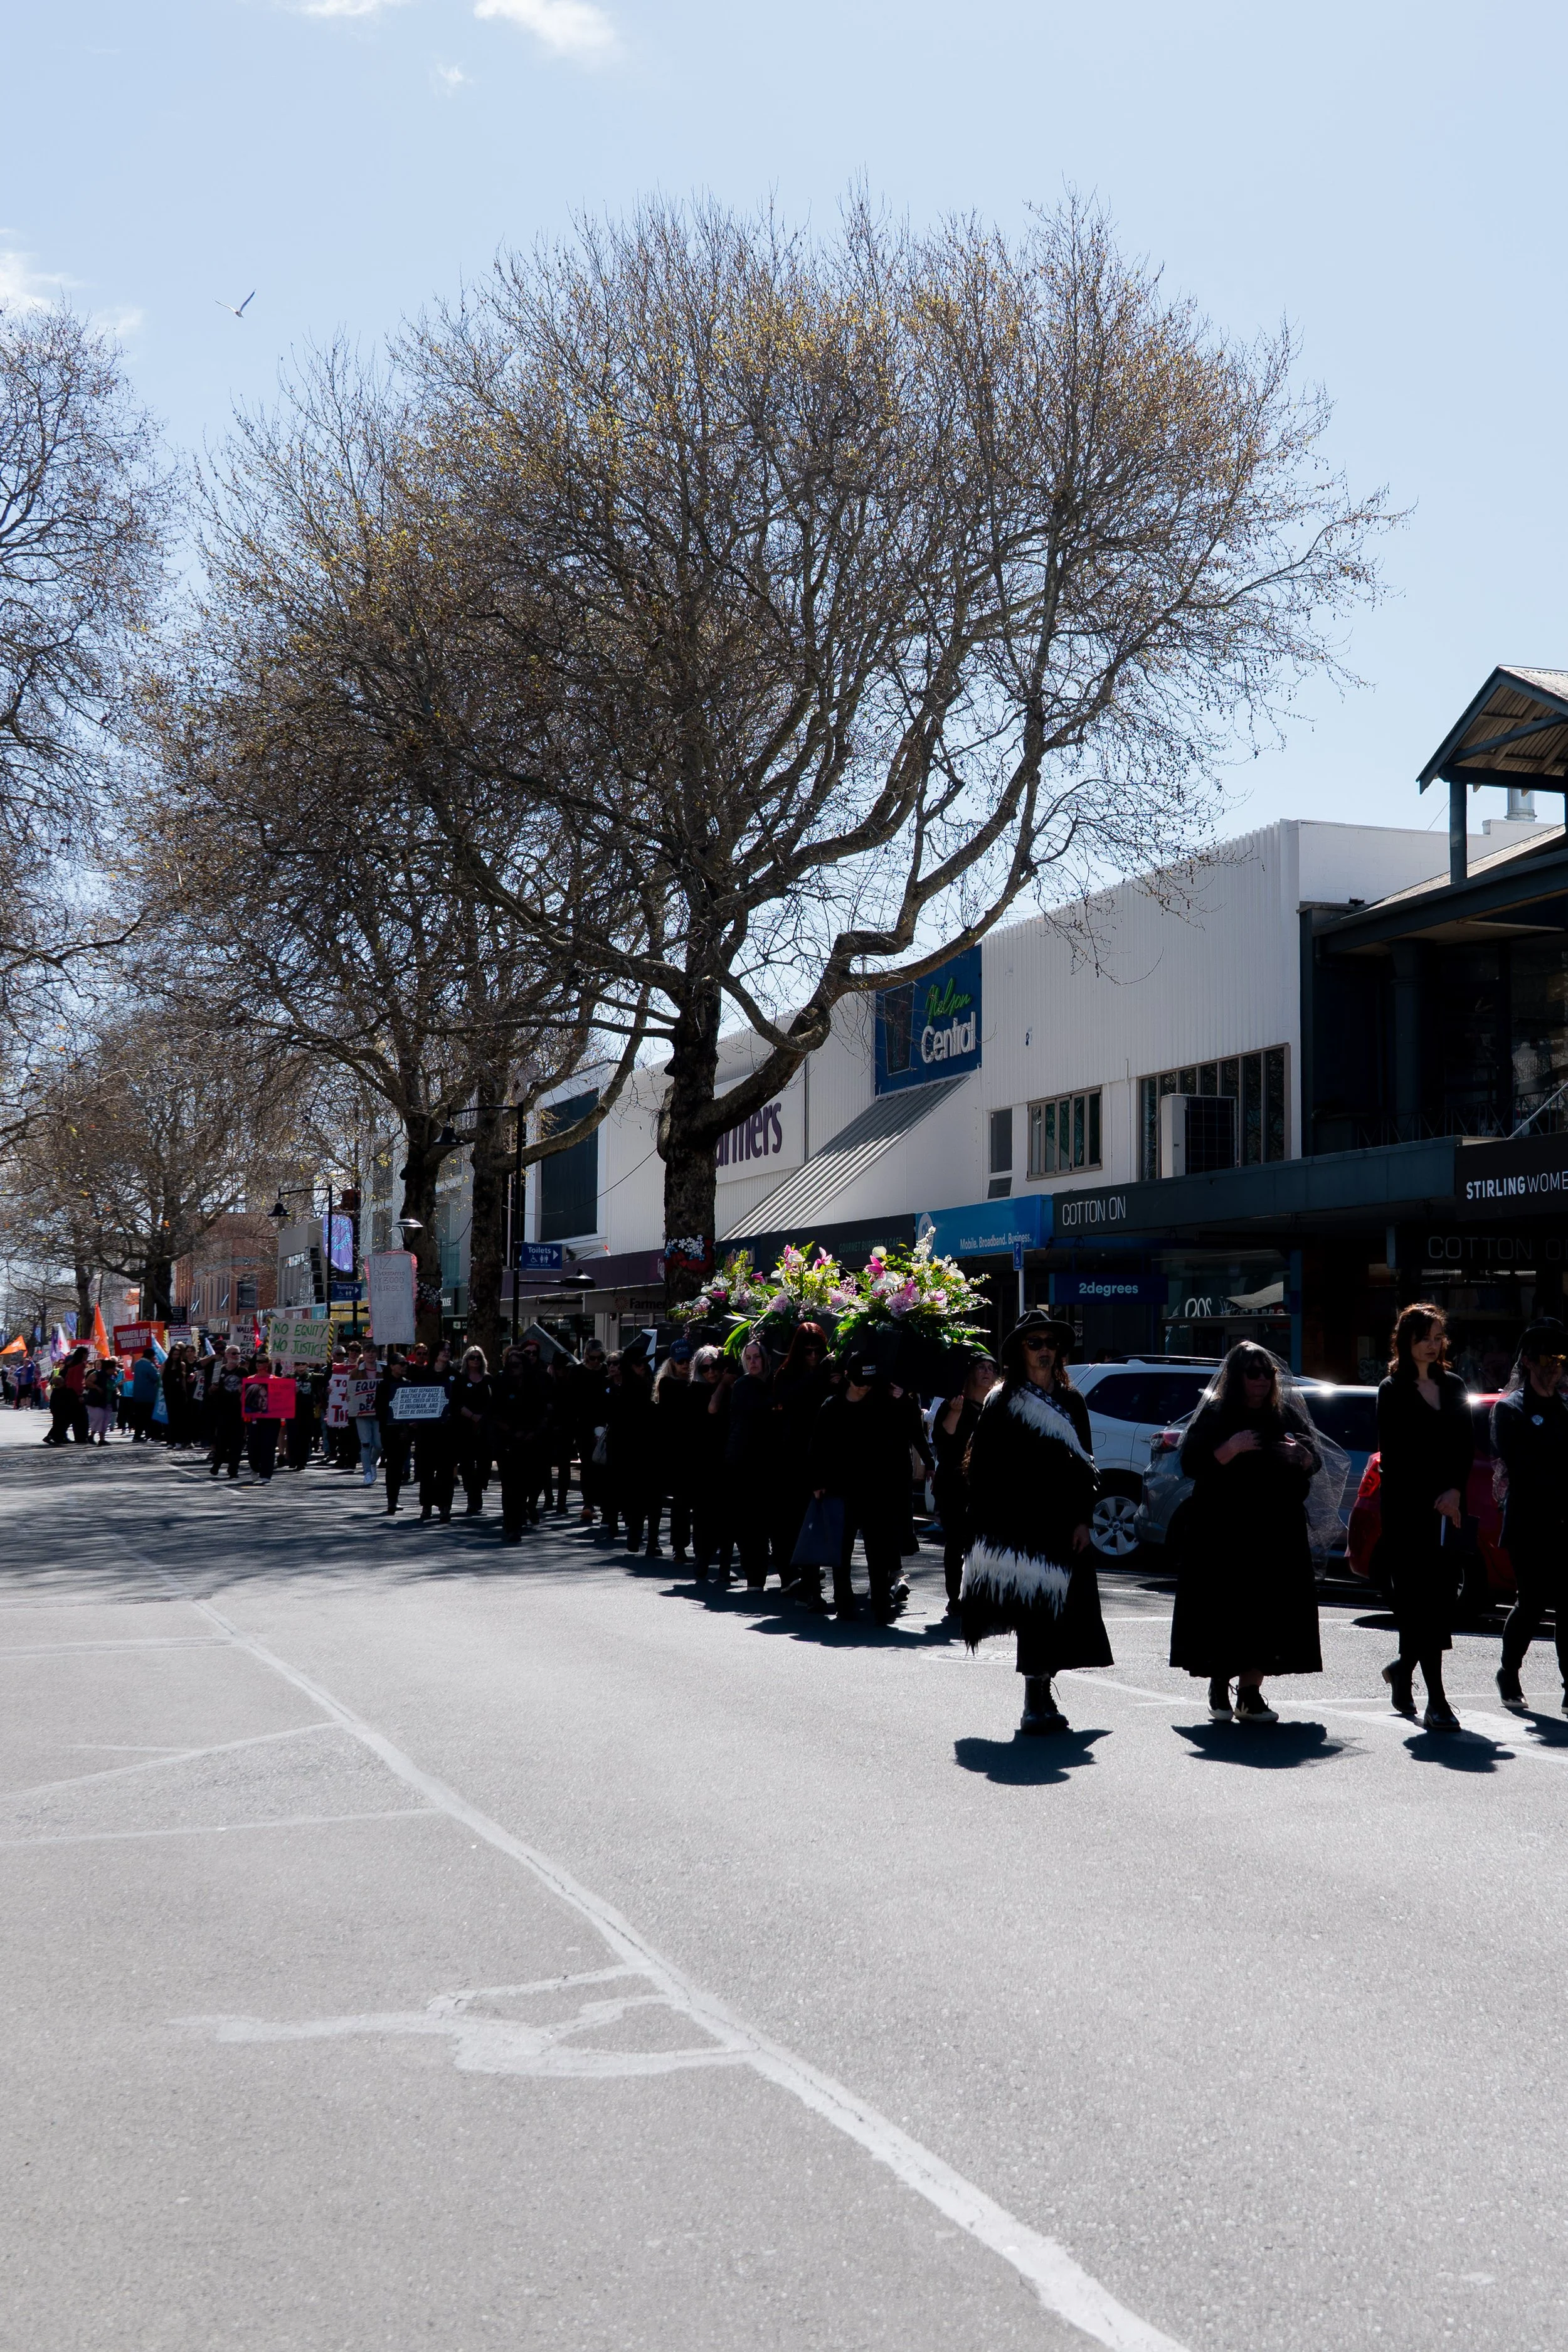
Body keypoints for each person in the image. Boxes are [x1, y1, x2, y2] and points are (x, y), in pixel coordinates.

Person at [960, 1310, 1111, 1733]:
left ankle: (1045, 1689)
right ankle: (1034, 1698)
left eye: (1050, 1343)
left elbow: (1087, 1466)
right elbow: (981, 1468)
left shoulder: (1071, 1401)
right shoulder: (1003, 1399)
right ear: (1019, 1351)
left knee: (1063, 1612)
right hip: (1019, 1522)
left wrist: (1084, 1519)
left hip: (1063, 1522)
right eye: (1035, 1343)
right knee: (1034, 1611)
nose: (1045, 1350)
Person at [1170, 1344, 1325, 1722]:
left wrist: (1304, 1458)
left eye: (1267, 1373)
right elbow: (1190, 1463)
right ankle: (1219, 1685)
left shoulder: (1284, 1413)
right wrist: (1230, 1448)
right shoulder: (1216, 1414)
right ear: (1236, 1376)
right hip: (1223, 1532)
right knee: (1226, 1609)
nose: (1260, 1380)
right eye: (1252, 1373)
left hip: (1276, 1532)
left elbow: (1314, 1457)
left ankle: (1251, 1693)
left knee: (1268, 1613)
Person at [1375, 1302, 1475, 1732]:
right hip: (1408, 1512)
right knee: (1420, 1605)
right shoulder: (1391, 1389)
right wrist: (1434, 1496)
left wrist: (1454, 1491)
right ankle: (1437, 1700)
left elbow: (1465, 1445)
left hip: (1449, 1510)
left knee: (1437, 1605)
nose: (1433, 1346)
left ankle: (1401, 1669)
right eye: (1424, 1339)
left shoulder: (1453, 1385)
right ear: (1407, 1341)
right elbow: (1395, 1457)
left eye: (1438, 1338)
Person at [1491, 1317, 1568, 1712]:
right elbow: (1523, 1465)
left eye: (1559, 1358)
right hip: (1529, 1523)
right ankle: (1509, 1672)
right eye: (1544, 1359)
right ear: (1527, 1361)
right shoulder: (1510, 1410)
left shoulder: (1566, 1407)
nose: (1553, 1367)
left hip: (1564, 1524)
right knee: (1533, 1602)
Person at [807, 1352, 911, 1622]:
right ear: (849, 1379)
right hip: (841, 1489)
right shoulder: (832, 1407)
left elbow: (904, 1430)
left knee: (878, 1549)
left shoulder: (883, 1403)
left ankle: (880, 1602)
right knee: (842, 1550)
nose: (865, 1387)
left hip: (876, 1489)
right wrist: (818, 1482)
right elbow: (818, 1446)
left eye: (869, 1382)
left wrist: (903, 1400)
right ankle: (844, 1601)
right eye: (860, 1381)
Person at [931, 1354, 997, 1619]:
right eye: (981, 1367)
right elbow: (943, 1442)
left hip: (983, 1487)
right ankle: (954, 1597)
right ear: (969, 1375)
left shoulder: (993, 1409)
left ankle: (978, 1594)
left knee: (980, 1544)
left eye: (991, 1369)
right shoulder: (954, 1405)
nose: (987, 1372)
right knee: (957, 1542)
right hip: (954, 1486)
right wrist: (956, 1414)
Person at [772, 1323, 834, 1576]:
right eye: (807, 1351)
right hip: (795, 1453)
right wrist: (817, 1376)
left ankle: (812, 1568)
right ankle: (795, 1571)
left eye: (816, 1351)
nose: (812, 1356)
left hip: (824, 1451)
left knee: (825, 1517)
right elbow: (786, 1400)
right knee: (795, 1516)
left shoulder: (828, 1372)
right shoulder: (786, 1374)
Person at [724, 1338, 785, 1590]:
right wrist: (774, 1407)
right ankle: (755, 1577)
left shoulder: (776, 1383)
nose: (752, 1362)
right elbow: (753, 1411)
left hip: (773, 1462)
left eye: (756, 1357)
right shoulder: (742, 1385)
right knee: (751, 1523)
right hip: (746, 1462)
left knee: (776, 1522)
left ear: (766, 1359)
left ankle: (788, 1575)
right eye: (748, 1358)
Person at [687, 1345, 735, 1582]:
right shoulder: (696, 1390)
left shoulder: (730, 1388)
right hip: (704, 1462)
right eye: (704, 1368)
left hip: (726, 1459)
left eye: (714, 1367)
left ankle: (725, 1565)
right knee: (704, 1514)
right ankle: (702, 1557)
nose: (710, 1372)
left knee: (727, 1515)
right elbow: (712, 1409)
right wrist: (723, 1385)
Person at [607, 1345, 659, 1554]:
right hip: (642, 1452)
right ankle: (649, 1540)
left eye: (645, 1364)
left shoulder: (626, 1389)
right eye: (639, 1364)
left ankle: (637, 1537)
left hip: (633, 1453)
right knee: (649, 1498)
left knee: (638, 1499)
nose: (644, 1368)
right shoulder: (638, 1390)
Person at [449, 1347, 494, 1517]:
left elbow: (495, 1401)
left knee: (484, 1464)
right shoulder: (460, 1380)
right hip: (465, 1426)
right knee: (467, 1464)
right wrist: (470, 1415)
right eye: (472, 1358)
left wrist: (483, 1417)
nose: (475, 1360)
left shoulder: (489, 1379)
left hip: (485, 1427)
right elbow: (455, 1403)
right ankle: (472, 1497)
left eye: (478, 1358)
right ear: (467, 1360)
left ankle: (479, 1489)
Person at [416, 1345, 457, 1521]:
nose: (446, 1352)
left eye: (448, 1350)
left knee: (446, 1471)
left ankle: (445, 1506)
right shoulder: (423, 1374)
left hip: (447, 1431)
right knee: (426, 1471)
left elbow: (459, 1400)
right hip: (427, 1431)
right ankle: (426, 1506)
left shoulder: (455, 1375)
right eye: (443, 1349)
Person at [241, 1354, 284, 1482]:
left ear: (268, 1364)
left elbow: (282, 1399)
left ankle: (266, 1474)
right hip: (254, 1419)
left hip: (272, 1420)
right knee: (253, 1446)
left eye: (262, 1362)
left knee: (269, 1446)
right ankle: (254, 1467)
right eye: (257, 1362)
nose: (259, 1364)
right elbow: (244, 1401)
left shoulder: (276, 1380)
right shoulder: (250, 1380)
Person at [207, 1347, 246, 1478]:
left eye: (238, 1354)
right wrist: (212, 1388)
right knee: (222, 1440)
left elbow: (250, 1389)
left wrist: (243, 1391)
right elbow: (210, 1391)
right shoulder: (220, 1370)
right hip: (223, 1410)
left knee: (237, 1442)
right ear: (227, 1355)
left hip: (238, 1411)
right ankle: (217, 1464)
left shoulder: (243, 1371)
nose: (237, 1356)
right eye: (234, 1353)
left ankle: (233, 1469)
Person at [125, 1345, 161, 1443]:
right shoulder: (149, 1365)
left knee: (140, 1417)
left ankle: (137, 1435)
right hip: (149, 1395)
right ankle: (153, 1435)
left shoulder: (138, 1364)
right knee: (149, 1416)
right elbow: (156, 1378)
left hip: (137, 1395)